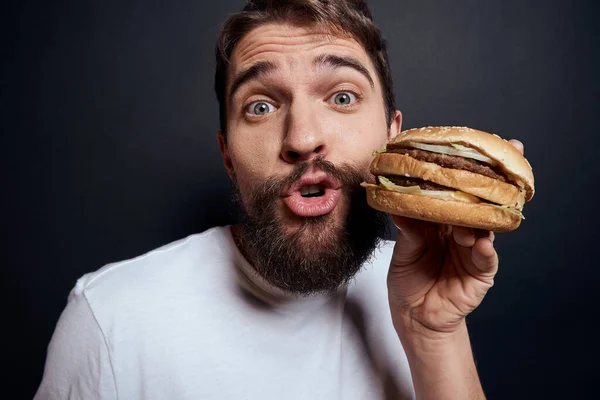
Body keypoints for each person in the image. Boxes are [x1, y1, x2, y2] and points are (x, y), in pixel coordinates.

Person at [34, 1, 525, 399]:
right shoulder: (112, 318)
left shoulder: (423, 291)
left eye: (343, 97)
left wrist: (432, 336)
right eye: (261, 106)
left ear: (394, 139)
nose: (303, 137)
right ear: (228, 156)